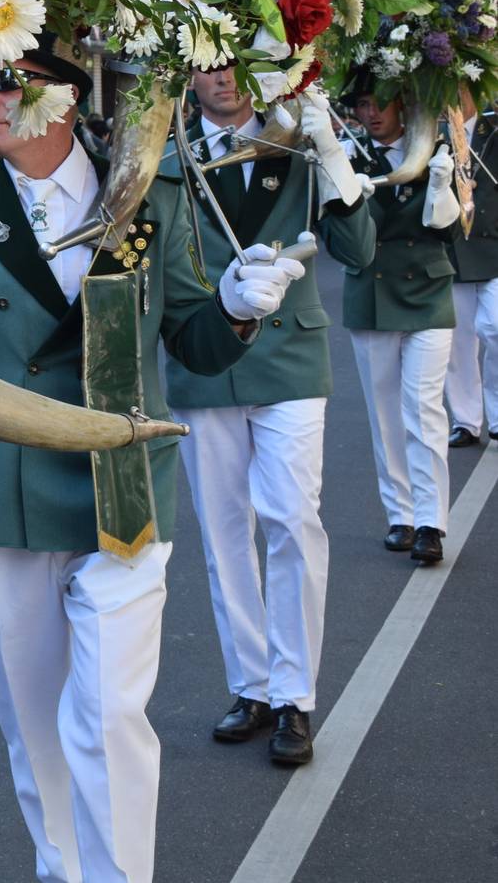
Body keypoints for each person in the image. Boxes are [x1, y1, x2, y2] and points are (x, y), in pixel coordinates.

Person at [0, 44, 297, 883]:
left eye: (10, 81)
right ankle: (63, 872)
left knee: (111, 716)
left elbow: (190, 337)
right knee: (35, 732)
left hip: (123, 491)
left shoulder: (147, 195)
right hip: (5, 501)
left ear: (68, 96)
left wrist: (233, 307)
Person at [166, 70, 376, 768]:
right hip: (202, 357)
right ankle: (250, 685)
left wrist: (332, 150)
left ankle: (295, 695)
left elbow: (358, 251)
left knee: (292, 517)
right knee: (225, 531)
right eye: (208, 59)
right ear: (187, 68)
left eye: (236, 59)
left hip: (287, 355)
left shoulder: (299, 143)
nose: (222, 76)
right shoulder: (167, 150)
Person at [345, 85, 460, 567]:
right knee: (385, 412)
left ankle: (432, 522)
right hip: (373, 292)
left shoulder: (439, 151)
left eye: (379, 104)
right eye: (363, 106)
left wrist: (439, 184)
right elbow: (345, 234)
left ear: (404, 106)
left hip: (428, 292)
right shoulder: (347, 154)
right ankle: (401, 515)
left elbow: (449, 228)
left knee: (423, 408)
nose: (370, 114)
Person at [442, 106, 498, 445]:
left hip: (494, 243)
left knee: (494, 326)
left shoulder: (492, 126)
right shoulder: (432, 131)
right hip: (451, 247)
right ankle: (466, 420)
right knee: (458, 344)